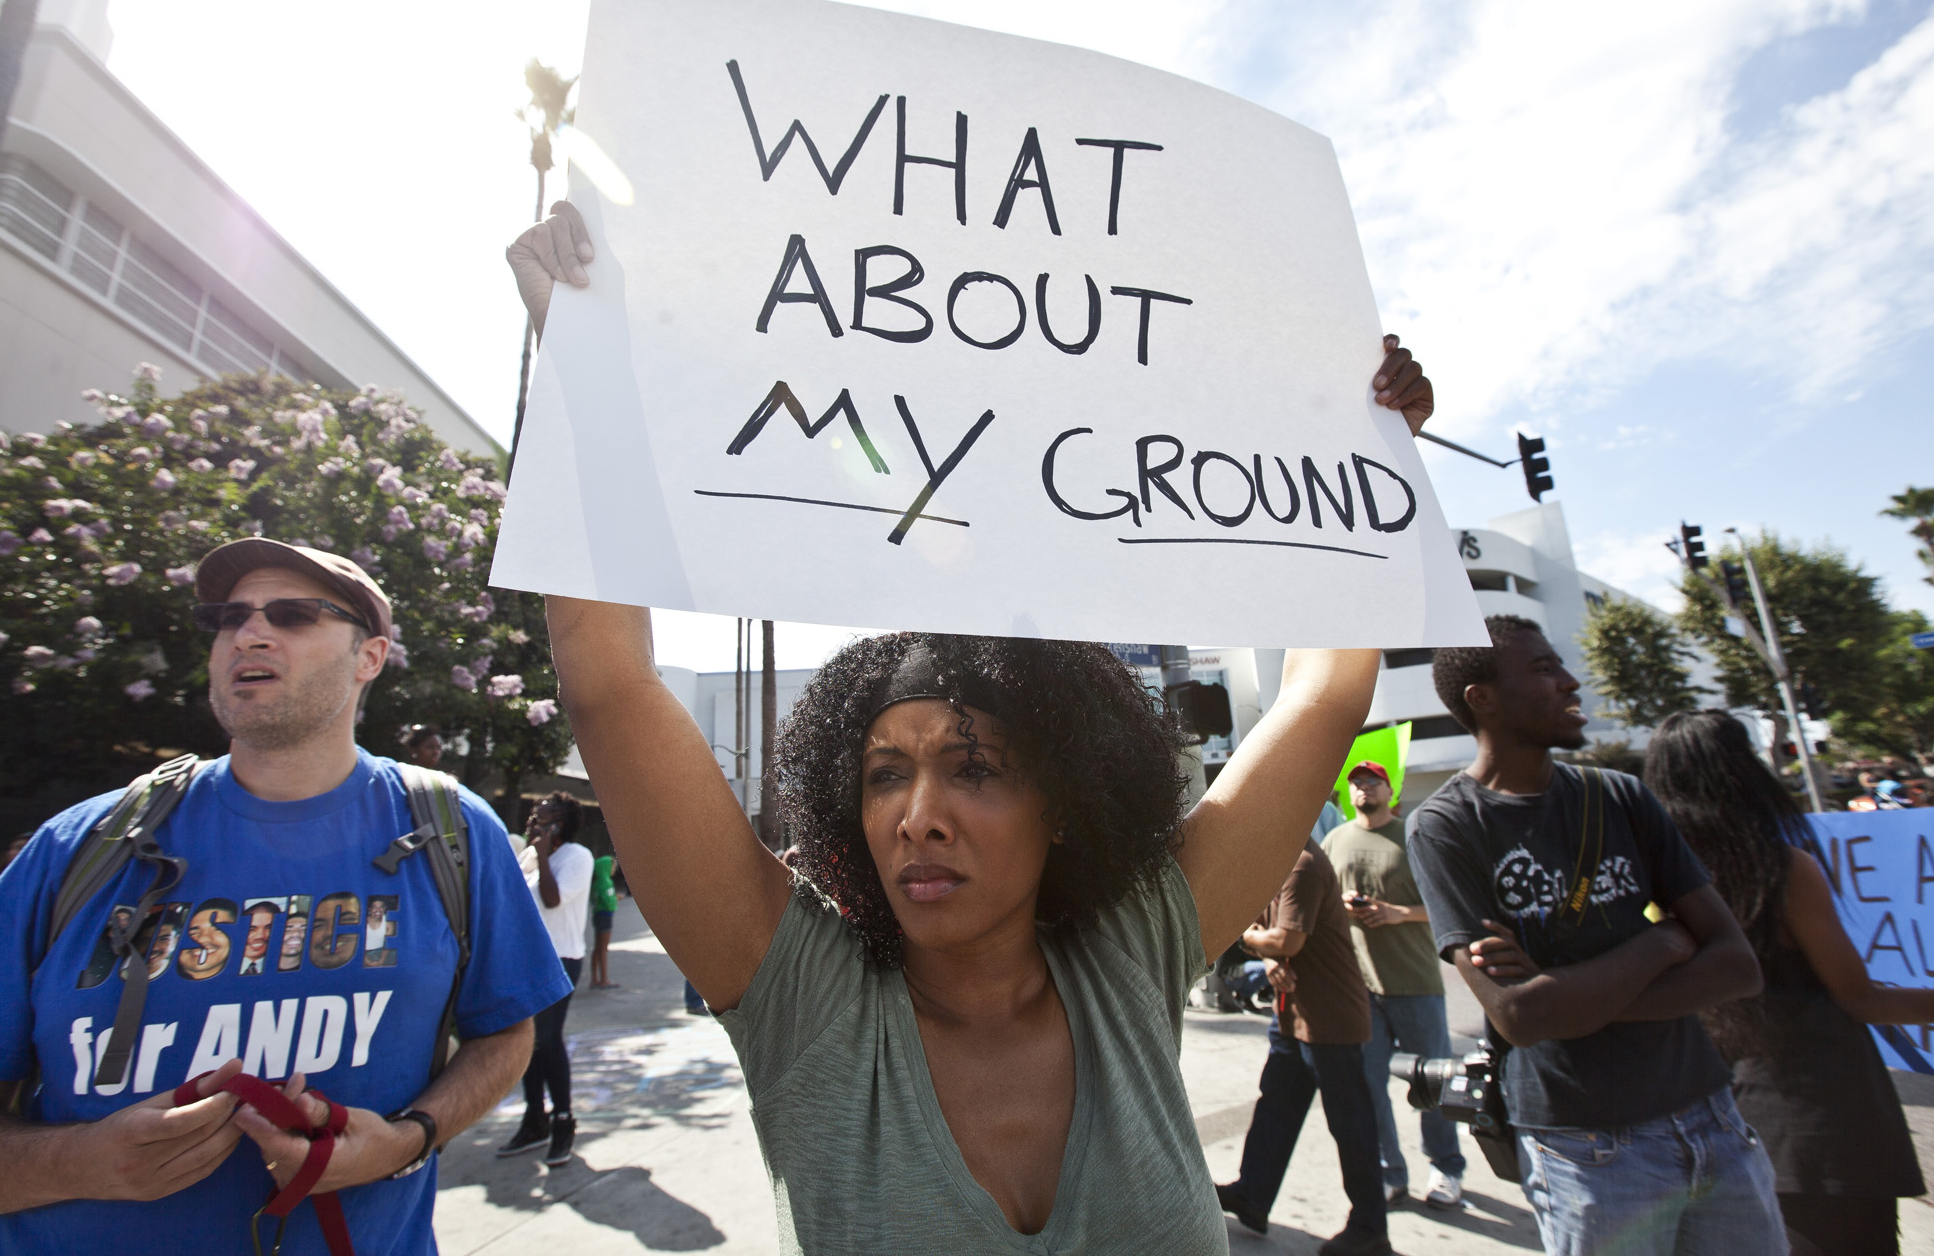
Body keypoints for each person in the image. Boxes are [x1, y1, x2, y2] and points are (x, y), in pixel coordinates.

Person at [507, 199, 1435, 1253]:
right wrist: (577, 360)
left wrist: (1363, 452)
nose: (918, 814)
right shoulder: (803, 999)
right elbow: (610, 684)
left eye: (974, 766)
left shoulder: (1132, 954)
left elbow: (1321, 698)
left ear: (1062, 798)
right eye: (881, 775)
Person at [0, 537, 568, 1252]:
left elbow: (505, 1031)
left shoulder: (451, 830)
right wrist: (75, 1162)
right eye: (230, 617)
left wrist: (406, 1140)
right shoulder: (79, 846)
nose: (249, 633)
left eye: (292, 614)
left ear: (370, 658)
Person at [1407, 615, 1782, 1256]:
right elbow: (1519, 1016)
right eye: (1544, 669)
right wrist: (1659, 944)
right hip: (1587, 1151)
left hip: (1714, 1118)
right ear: (1483, 698)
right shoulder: (1445, 827)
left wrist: (1569, 1000)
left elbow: (1736, 966)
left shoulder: (1620, 797)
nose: (1569, 681)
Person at [1646, 710, 1934, 1256]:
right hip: (1823, 1123)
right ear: (1741, 772)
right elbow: (1862, 1000)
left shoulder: (1653, 881)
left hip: (1715, 1119)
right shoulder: (1780, 869)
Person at [1216, 841, 1387, 1255]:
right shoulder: (1275, 859)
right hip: (1293, 1016)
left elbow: (1287, 941)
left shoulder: (1302, 864)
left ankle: (1370, 1226)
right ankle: (1252, 1196)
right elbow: (1268, 932)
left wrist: (1259, 942)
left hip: (1330, 1020)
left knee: (1351, 1125)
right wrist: (1267, 952)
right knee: (1276, 1105)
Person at [1324, 760, 1464, 1208]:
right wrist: (1342, 905)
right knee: (1369, 1085)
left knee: (1433, 1083)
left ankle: (1445, 1167)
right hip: (1361, 987)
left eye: (1373, 782)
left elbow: (1448, 903)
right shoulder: (1336, 839)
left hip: (1416, 982)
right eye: (1357, 783)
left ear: (1390, 790)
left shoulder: (1414, 837)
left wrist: (1398, 913)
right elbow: (1321, 900)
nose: (1364, 789)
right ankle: (1390, 1172)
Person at [499, 793, 595, 1167]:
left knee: (548, 1039)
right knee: (528, 1042)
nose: (536, 824)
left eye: (546, 819)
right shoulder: (527, 857)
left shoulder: (577, 857)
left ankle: (563, 1120)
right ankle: (534, 1117)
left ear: (563, 824)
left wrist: (541, 854)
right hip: (525, 958)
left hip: (561, 958)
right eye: (535, 817)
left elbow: (552, 900)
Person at [589, 849, 619, 989]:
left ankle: (594, 977)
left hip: (597, 915)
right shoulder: (607, 883)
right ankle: (604, 979)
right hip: (606, 916)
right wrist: (615, 898)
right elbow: (609, 901)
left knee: (597, 948)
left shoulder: (596, 883)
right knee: (603, 948)